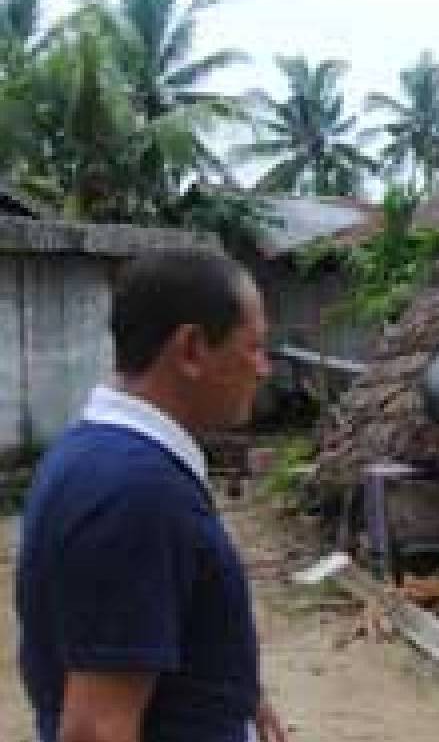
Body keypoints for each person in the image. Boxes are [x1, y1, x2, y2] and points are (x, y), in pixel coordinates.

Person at [16, 249, 288, 742]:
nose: (264, 369)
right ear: (190, 350)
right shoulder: (134, 492)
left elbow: (157, 622)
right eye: (254, 348)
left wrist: (240, 696)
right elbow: (96, 730)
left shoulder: (107, 457)